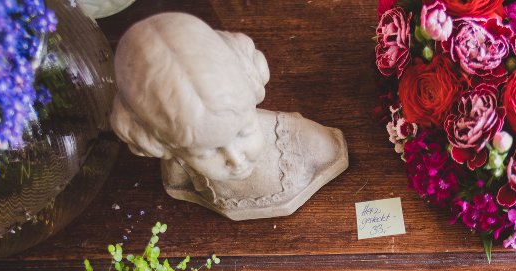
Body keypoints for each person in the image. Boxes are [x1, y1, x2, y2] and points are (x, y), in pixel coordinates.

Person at [110, 13, 348, 220]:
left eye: (243, 131)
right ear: (161, 144)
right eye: (206, 152)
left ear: (251, 85)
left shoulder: (309, 144)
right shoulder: (178, 169)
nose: (235, 158)